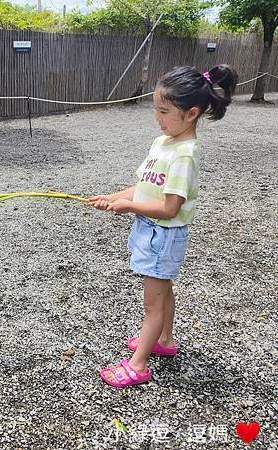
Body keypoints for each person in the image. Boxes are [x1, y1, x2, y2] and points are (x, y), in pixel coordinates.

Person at [88, 65, 238, 388]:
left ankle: (138, 365)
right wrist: (111, 197)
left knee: (152, 305)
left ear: (191, 113)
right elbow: (143, 186)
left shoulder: (184, 155)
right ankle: (165, 341)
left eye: (165, 111)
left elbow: (170, 208)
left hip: (163, 235)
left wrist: (127, 206)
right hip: (150, 229)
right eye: (156, 109)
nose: (158, 117)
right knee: (164, 290)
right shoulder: (163, 142)